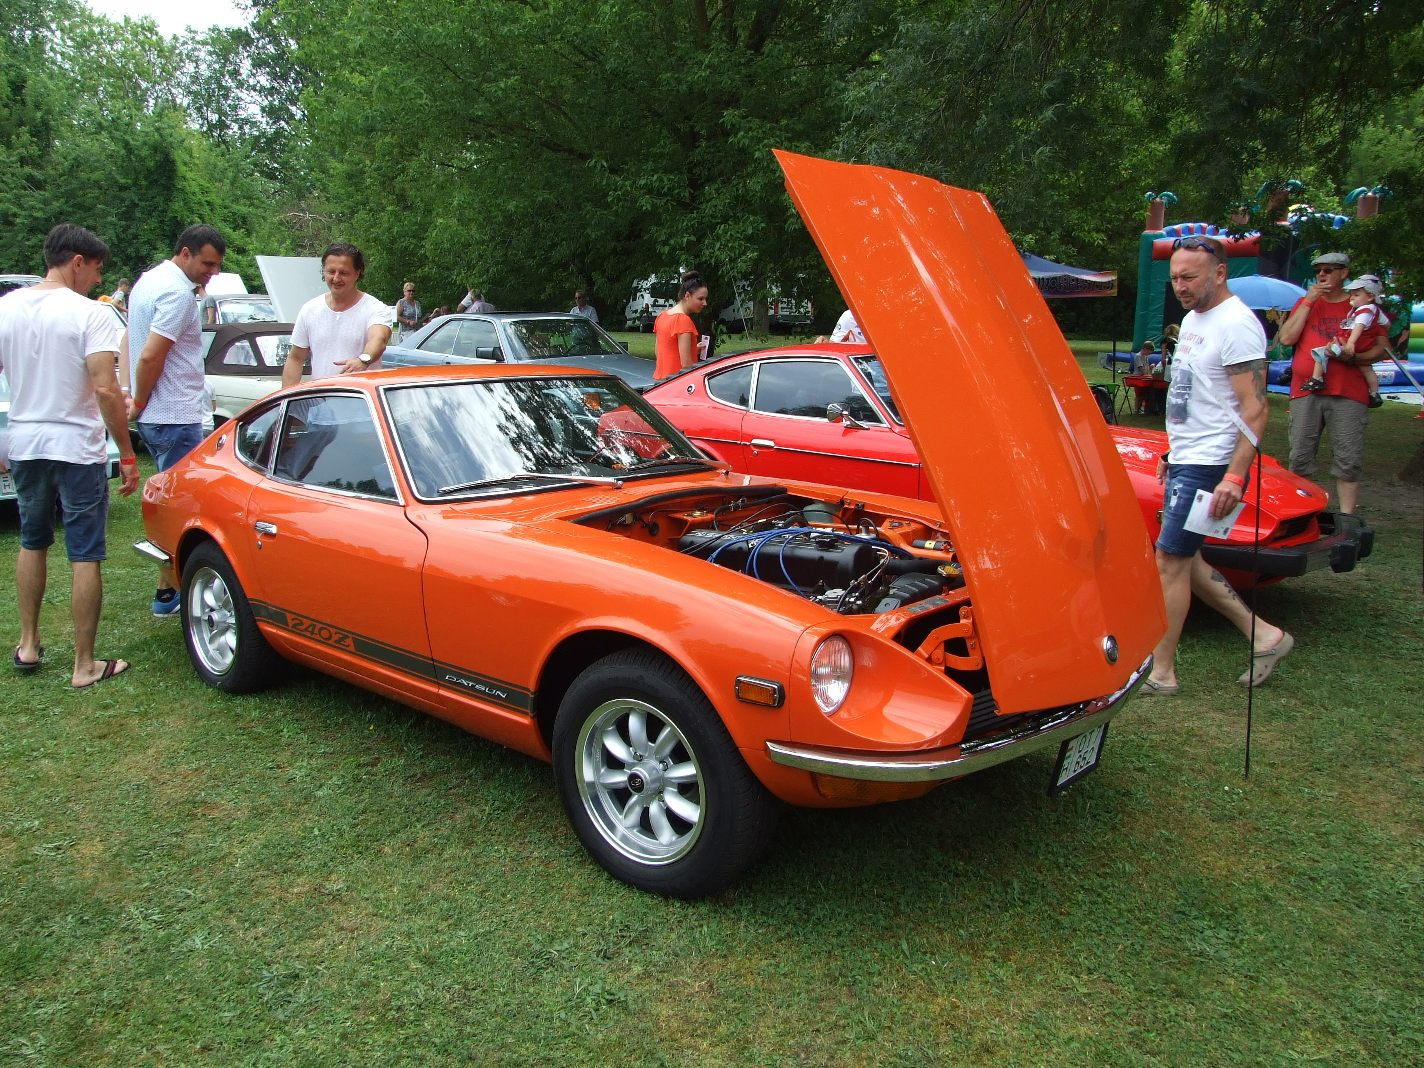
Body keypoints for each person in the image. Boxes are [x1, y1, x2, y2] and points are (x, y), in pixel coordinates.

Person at [1142, 235, 1293, 697]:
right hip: (1189, 456)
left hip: (1213, 462)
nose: (1181, 286)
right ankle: (1265, 635)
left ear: (1220, 272)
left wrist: (1233, 473)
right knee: (1187, 560)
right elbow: (1195, 397)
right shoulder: (1192, 319)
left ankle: (1161, 672)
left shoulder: (1237, 324)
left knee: (1169, 559)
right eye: (1174, 278)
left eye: (1189, 277)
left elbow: (1256, 408)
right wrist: (1174, 451)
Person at [0, 223, 140, 687]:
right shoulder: (90, 315)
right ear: (76, 262)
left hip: (24, 441)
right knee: (84, 552)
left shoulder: (6, 308)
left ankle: (28, 643)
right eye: (96, 270)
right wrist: (126, 449)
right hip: (77, 446)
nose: (98, 281)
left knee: (31, 539)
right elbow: (104, 387)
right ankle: (84, 665)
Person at [127, 224, 226, 616]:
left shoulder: (147, 282)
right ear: (185, 253)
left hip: (161, 414)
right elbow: (151, 355)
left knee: (169, 501)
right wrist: (139, 398)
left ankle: (168, 592)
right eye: (207, 264)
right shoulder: (177, 294)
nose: (211, 273)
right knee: (182, 511)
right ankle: (173, 596)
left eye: (217, 267)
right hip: (173, 414)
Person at [1275, 252, 1391, 515]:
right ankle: (1300, 513)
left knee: (1348, 459)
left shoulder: (1363, 305)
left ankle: (1347, 518)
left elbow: (1383, 348)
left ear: (1344, 273)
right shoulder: (1306, 302)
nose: (1322, 275)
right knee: (1300, 457)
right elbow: (1287, 339)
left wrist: (1356, 357)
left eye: (1329, 270)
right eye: (1318, 270)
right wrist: (1308, 301)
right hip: (1306, 390)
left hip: (1348, 392)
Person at [1300, 273, 1387, 408]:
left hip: (1350, 345)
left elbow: (1359, 327)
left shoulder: (1364, 311)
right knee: (1367, 369)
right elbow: (1386, 324)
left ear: (1370, 297)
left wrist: (1351, 343)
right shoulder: (1375, 310)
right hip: (1364, 346)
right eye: (1351, 294)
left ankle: (1316, 378)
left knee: (1323, 352)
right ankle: (1374, 393)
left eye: (1356, 295)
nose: (1351, 297)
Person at [653, 271, 709, 379]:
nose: (705, 303)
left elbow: (660, 353)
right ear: (687, 295)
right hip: (677, 384)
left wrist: (694, 349)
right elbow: (686, 365)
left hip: (660, 383)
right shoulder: (683, 320)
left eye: (705, 299)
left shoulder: (662, 316)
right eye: (700, 299)